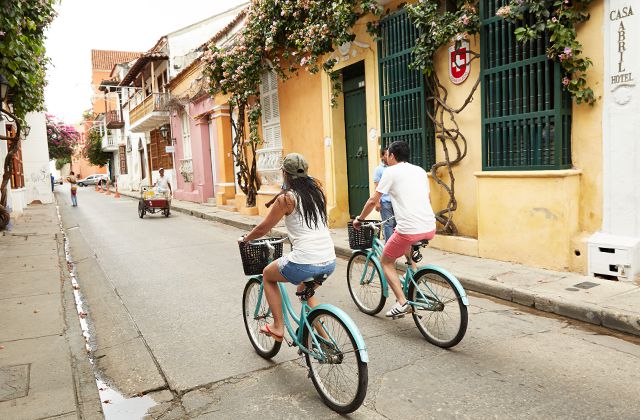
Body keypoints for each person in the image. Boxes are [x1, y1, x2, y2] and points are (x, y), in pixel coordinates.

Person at [239, 153, 336, 341]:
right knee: (304, 292)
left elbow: (264, 228)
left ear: (285, 173)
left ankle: (277, 327)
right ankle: (325, 340)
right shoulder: (318, 193)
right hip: (329, 260)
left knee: (267, 275)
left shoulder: (286, 199)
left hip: (306, 260)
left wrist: (246, 239)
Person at [353, 140, 436, 318]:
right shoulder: (420, 171)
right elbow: (427, 199)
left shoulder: (390, 172)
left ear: (391, 156)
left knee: (386, 262)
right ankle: (413, 281)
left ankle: (402, 302)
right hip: (429, 226)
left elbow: (373, 201)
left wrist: (360, 219)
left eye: (387, 154)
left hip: (409, 229)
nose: (386, 158)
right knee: (407, 249)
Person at [372, 147, 396, 241]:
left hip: (396, 201)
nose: (389, 156)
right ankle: (389, 245)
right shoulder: (379, 169)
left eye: (390, 154)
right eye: (386, 154)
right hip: (385, 201)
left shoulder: (395, 167)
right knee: (388, 224)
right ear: (382, 156)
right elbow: (376, 186)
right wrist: (377, 202)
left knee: (398, 224)